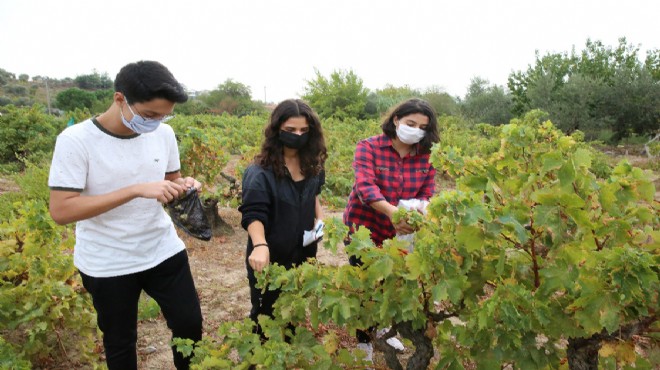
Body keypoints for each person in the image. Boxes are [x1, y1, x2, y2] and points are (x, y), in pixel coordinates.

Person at [48, 61, 203, 370]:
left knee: (189, 324)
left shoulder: (164, 134)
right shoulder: (76, 140)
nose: (157, 123)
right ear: (120, 99)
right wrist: (134, 190)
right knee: (120, 342)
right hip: (108, 261)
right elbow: (62, 210)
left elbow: (172, 179)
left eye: (164, 115)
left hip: (161, 248)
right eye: (149, 115)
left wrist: (184, 185)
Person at [343, 98, 440, 360]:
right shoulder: (369, 147)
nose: (415, 130)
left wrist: (418, 214)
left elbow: (427, 194)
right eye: (410, 123)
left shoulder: (427, 157)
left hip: (399, 235)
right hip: (364, 231)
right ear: (396, 120)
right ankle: (363, 341)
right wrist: (392, 212)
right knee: (366, 287)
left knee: (392, 285)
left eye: (422, 127)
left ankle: (386, 329)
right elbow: (365, 187)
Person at [239, 99, 327, 337]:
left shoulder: (313, 164)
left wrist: (319, 219)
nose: (298, 135)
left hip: (304, 250)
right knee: (265, 314)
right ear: (277, 130)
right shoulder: (259, 172)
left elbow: (313, 195)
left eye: (304, 131)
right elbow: (253, 213)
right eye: (291, 130)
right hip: (269, 255)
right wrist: (259, 245)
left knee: (293, 307)